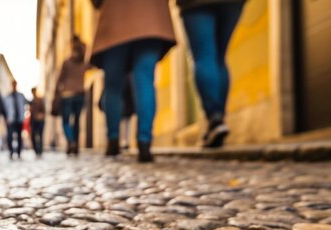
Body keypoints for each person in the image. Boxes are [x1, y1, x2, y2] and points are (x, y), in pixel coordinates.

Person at [90, 0, 176, 162]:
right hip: (151, 17)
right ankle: (144, 141)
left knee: (113, 87)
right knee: (145, 81)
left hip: (115, 18)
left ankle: (113, 140)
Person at [177, 0, 247, 148]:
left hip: (195, 4)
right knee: (219, 58)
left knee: (204, 56)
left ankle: (215, 118)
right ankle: (219, 119)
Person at [56, 37, 89, 155]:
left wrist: (56, 94)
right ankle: (76, 144)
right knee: (77, 121)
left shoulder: (66, 63)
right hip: (80, 93)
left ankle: (71, 141)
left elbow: (59, 80)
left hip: (67, 94)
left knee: (65, 121)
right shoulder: (83, 63)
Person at [4, 81, 28, 159]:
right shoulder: (8, 97)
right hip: (11, 120)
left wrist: (25, 115)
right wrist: (6, 118)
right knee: (10, 137)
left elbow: (27, 104)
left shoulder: (21, 96)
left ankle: (18, 152)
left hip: (19, 119)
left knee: (19, 137)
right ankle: (11, 152)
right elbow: (5, 109)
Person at [29, 87, 46, 157]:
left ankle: (40, 150)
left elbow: (44, 110)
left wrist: (41, 116)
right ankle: (36, 150)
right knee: (33, 135)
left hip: (40, 120)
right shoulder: (31, 101)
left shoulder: (40, 100)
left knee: (40, 135)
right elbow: (30, 112)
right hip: (33, 120)